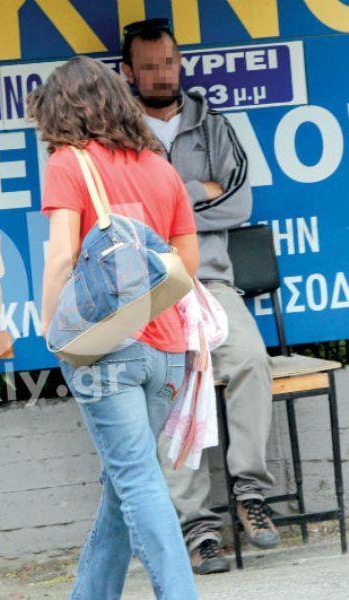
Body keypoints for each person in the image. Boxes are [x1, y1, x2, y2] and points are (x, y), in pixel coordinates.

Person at [30, 55, 200, 600]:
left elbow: (61, 257)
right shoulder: (160, 165)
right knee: (124, 484)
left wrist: (52, 328)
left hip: (106, 347)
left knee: (136, 481)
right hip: (167, 348)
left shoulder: (68, 162)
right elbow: (187, 262)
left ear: (59, 112)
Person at [121, 18, 279, 574]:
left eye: (168, 62)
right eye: (148, 67)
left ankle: (251, 492)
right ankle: (197, 527)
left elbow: (238, 205)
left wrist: (168, 202)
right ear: (128, 72)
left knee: (250, 360)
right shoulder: (119, 131)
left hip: (209, 280)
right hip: (149, 288)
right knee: (171, 384)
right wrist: (196, 194)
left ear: (180, 62)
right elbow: (125, 216)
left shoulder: (213, 126)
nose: (161, 74)